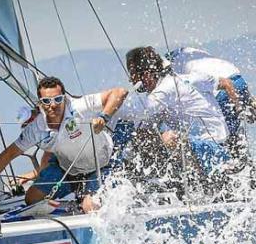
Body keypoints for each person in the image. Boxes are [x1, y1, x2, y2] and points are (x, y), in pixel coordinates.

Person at [0, 76, 125, 213]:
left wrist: (103, 117)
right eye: (47, 101)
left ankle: (84, 198)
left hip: (102, 165)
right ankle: (76, 195)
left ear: (65, 98)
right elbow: (9, 154)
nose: (53, 105)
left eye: (58, 99)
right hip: (68, 169)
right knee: (32, 198)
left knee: (90, 207)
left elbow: (120, 92)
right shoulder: (35, 129)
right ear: (40, 103)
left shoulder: (78, 106)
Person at [98, 46, 231, 189]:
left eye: (133, 75)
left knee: (169, 138)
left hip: (214, 149)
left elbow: (136, 111)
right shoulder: (175, 83)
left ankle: (201, 183)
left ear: (146, 74)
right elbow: (226, 83)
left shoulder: (166, 89)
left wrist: (101, 108)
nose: (131, 80)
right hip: (199, 146)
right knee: (143, 135)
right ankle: (150, 179)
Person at [167, 47, 256, 138]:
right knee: (237, 128)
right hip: (239, 81)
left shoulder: (170, 66)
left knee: (226, 137)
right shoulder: (192, 52)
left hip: (222, 92)